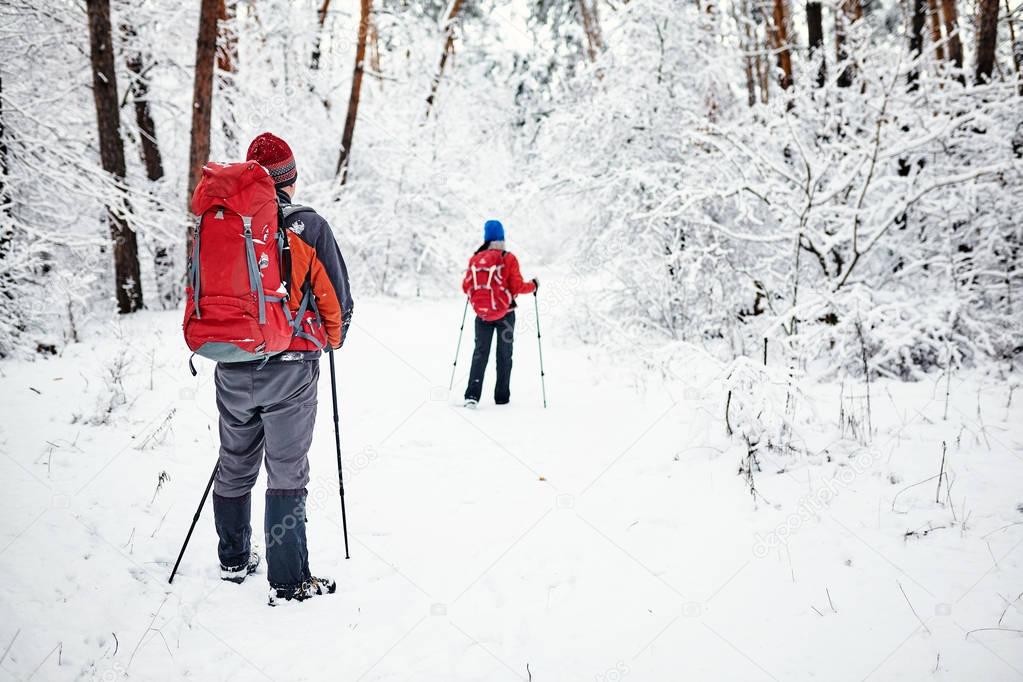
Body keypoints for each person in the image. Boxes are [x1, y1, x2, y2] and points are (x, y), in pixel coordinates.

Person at [211, 132, 354, 606]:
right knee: (287, 470)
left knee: (234, 463)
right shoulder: (307, 227)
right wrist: (331, 340)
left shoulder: (222, 223)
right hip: (290, 369)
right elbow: (337, 298)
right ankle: (289, 580)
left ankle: (233, 559)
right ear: (290, 178)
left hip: (232, 364)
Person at [461, 219, 537, 407]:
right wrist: (534, 285)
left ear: (486, 238)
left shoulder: (475, 259)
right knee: (504, 355)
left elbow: (466, 286)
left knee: (480, 354)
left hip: (482, 316)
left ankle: (472, 395)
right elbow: (518, 287)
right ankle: (501, 397)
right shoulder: (508, 258)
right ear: (502, 237)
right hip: (505, 315)